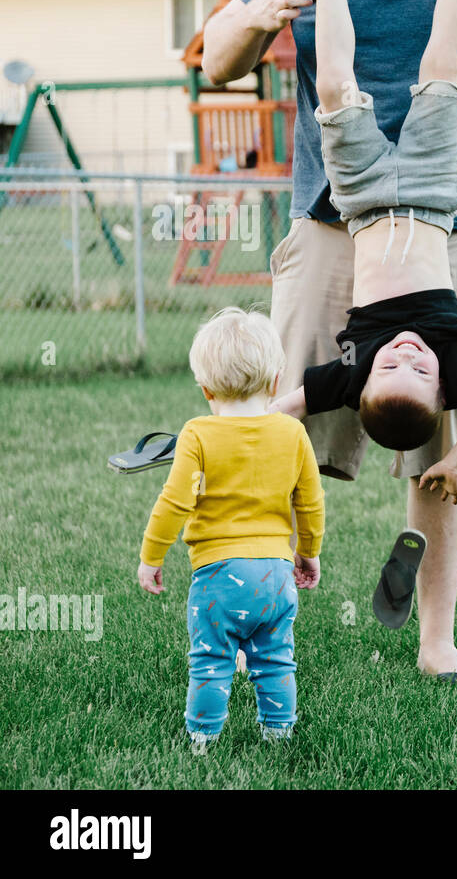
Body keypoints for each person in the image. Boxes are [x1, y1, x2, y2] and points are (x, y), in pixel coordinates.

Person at [202, 0, 457, 677]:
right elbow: (217, 62)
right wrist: (256, 12)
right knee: (281, 444)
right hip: (329, 224)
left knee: (440, 450)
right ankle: (251, 625)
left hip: (448, 232)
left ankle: (436, 642)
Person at [271, 0, 457, 511]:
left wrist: (231, 430)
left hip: (362, 199)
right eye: (419, 370)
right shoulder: (455, 357)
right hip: (431, 192)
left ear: (365, 383)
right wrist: (456, 462)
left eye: (390, 366)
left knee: (334, 89)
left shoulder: (353, 372)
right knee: (442, 69)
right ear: (444, 386)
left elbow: (290, 405)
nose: (406, 352)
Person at [136, 307, 325, 747]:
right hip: (276, 577)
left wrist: (151, 556)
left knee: (211, 660)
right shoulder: (293, 433)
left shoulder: (197, 434)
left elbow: (175, 501)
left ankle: (203, 738)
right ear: (276, 383)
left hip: (217, 578)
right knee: (277, 660)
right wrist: (308, 552)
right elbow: (310, 501)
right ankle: (278, 731)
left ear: (206, 390)